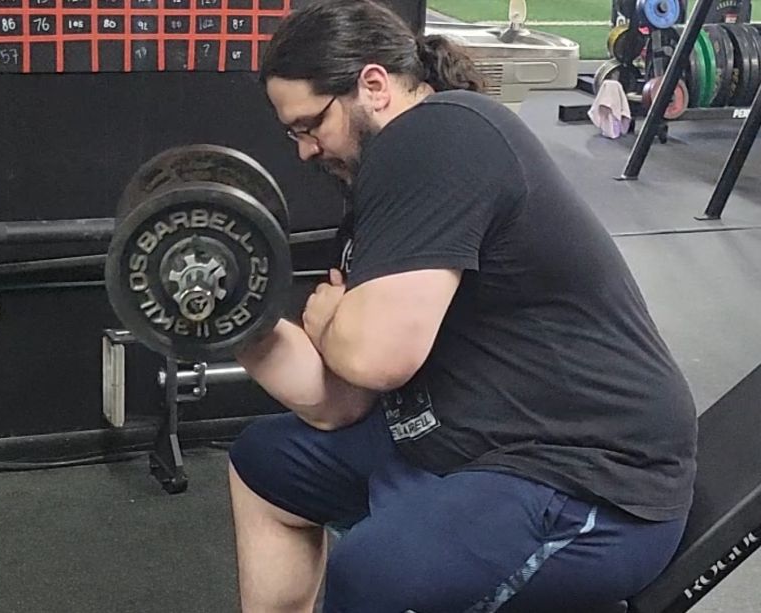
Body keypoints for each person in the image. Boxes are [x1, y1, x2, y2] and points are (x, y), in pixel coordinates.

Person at [229, 1, 698, 611]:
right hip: (468, 443)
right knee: (267, 465)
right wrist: (236, 312)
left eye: (309, 125)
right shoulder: (381, 189)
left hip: (588, 478)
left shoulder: (441, 132)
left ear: (372, 86)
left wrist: (331, 321)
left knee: (377, 576)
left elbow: (376, 357)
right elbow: (338, 403)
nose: (305, 151)